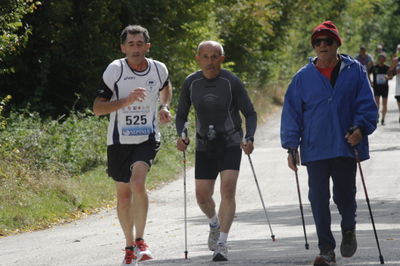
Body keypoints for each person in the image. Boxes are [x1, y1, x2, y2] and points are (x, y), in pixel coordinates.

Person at [280, 21, 378, 266]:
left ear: (337, 44)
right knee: (318, 198)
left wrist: (361, 128)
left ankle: (348, 229)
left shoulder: (355, 71)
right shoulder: (302, 78)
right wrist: (292, 147)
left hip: (345, 145)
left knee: (345, 197)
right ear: (314, 46)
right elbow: (292, 114)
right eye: (318, 42)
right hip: (315, 148)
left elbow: (366, 105)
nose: (322, 45)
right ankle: (326, 250)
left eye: (328, 41)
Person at [93, 25, 172, 265]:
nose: (135, 49)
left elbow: (165, 89)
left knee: (138, 182)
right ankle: (129, 246)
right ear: (123, 47)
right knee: (124, 197)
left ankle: (140, 241)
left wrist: (164, 107)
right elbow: (97, 108)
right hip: (119, 141)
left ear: (148, 47)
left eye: (140, 44)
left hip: (147, 136)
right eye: (131, 45)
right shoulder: (115, 70)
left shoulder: (158, 68)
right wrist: (126, 101)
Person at [175, 40, 257, 261]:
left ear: (222, 58)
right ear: (198, 58)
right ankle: (214, 223)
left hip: (230, 143)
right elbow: (181, 114)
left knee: (228, 190)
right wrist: (182, 135)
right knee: (202, 196)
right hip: (204, 145)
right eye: (205, 56)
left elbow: (249, 112)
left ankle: (222, 243)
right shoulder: (191, 82)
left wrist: (248, 137)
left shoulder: (231, 82)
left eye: (214, 57)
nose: (210, 61)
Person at [369, 53, 393, 125]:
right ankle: (376, 116)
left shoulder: (387, 67)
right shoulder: (374, 67)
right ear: (378, 59)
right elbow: (367, 73)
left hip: (385, 88)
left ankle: (383, 119)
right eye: (380, 59)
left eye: (383, 59)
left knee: (384, 103)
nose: (382, 60)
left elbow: (391, 76)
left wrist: (387, 77)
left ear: (385, 60)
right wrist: (370, 82)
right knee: (376, 103)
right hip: (376, 87)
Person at [389, 45, 400, 123]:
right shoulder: (396, 61)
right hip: (399, 88)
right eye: (398, 50)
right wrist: (393, 66)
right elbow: (390, 73)